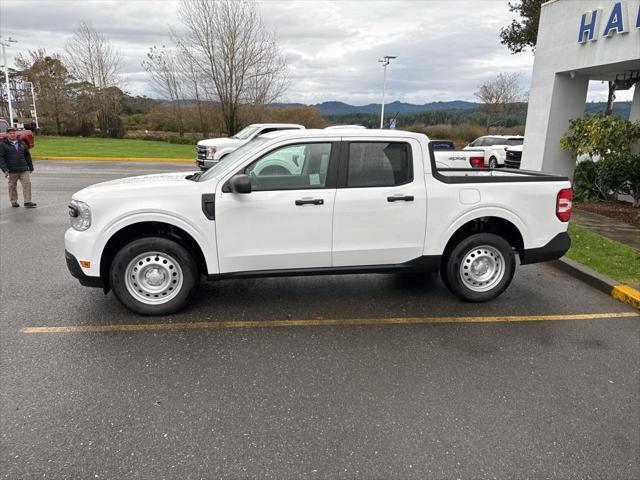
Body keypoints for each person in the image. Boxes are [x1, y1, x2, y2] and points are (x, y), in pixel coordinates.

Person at [0, 127, 36, 208]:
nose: (12, 134)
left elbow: (27, 156)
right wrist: (4, 169)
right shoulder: (2, 145)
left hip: (24, 168)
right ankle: (14, 201)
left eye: (14, 133)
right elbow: (1, 158)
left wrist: (30, 167)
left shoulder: (22, 143)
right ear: (7, 134)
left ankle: (27, 201)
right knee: (12, 186)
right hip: (11, 170)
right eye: (10, 133)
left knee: (27, 184)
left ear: (16, 134)